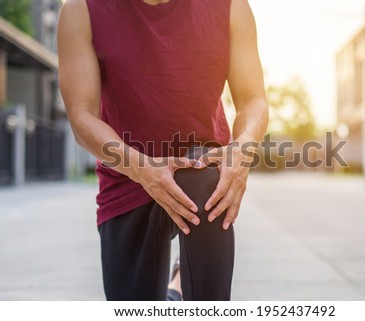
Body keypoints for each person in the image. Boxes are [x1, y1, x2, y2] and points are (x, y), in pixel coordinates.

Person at [58, 0, 268, 301]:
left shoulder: (231, 6)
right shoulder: (81, 9)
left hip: (201, 164)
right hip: (126, 173)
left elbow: (253, 99)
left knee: (204, 181)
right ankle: (176, 288)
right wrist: (141, 168)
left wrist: (243, 149)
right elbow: (82, 117)